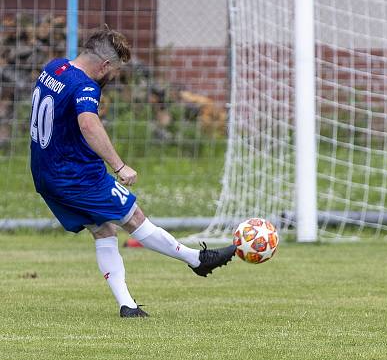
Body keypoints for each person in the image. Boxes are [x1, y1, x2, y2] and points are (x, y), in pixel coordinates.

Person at [29, 26, 236, 317]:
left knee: (103, 229)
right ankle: (197, 260)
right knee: (134, 217)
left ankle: (127, 305)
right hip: (75, 175)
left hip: (45, 173)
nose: (112, 77)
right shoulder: (85, 86)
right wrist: (119, 165)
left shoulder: (54, 68)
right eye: (114, 70)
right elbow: (88, 124)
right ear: (104, 65)